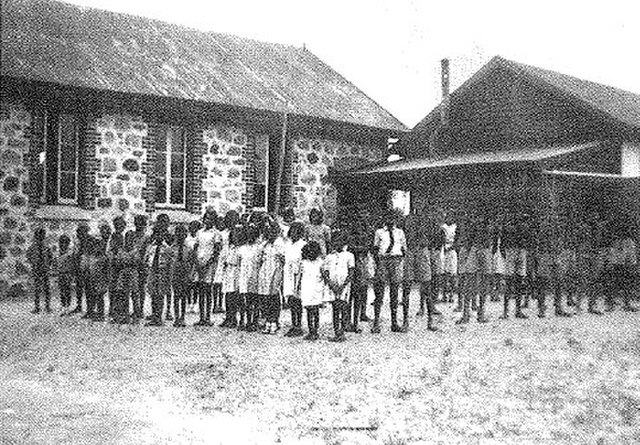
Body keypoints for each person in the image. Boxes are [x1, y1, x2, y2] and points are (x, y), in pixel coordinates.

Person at [372, 210, 407, 333]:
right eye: (388, 217)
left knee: (394, 292)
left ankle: (394, 322)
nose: (391, 220)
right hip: (383, 260)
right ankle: (376, 322)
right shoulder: (379, 232)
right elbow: (375, 248)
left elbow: (404, 249)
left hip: (396, 260)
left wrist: (399, 261)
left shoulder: (400, 232)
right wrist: (378, 264)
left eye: (393, 218)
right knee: (379, 291)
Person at [403, 210, 431, 331]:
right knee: (407, 286)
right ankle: (405, 321)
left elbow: (430, 238)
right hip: (411, 250)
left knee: (427, 286)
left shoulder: (427, 220)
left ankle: (430, 321)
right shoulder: (408, 219)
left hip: (421, 250)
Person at [257, 219, 285, 334]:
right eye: (267, 231)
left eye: (272, 230)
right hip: (264, 271)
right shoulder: (264, 244)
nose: (269, 233)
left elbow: (283, 260)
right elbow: (259, 258)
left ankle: (274, 320)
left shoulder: (279, 243)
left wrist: (278, 274)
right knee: (265, 297)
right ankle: (267, 320)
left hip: (275, 270)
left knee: (274, 296)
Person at [194, 208, 221, 326]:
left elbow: (216, 251)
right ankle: (201, 317)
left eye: (211, 219)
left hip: (209, 265)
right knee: (200, 290)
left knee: (208, 290)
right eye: (206, 218)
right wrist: (197, 262)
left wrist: (207, 263)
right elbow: (196, 247)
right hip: (199, 263)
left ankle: (208, 317)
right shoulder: (199, 232)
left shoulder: (216, 234)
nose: (208, 221)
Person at [145, 214, 172, 326]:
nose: (158, 236)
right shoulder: (152, 246)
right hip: (152, 270)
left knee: (160, 294)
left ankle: (159, 317)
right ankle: (154, 315)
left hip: (162, 271)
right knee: (153, 294)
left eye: (161, 235)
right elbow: (147, 257)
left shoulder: (166, 248)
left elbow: (170, 261)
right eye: (157, 234)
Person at [238, 223, 263, 332]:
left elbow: (261, 262)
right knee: (246, 300)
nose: (250, 236)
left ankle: (255, 321)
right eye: (248, 234)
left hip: (255, 275)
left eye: (252, 234)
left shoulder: (259, 248)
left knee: (255, 299)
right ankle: (247, 321)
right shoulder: (242, 248)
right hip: (245, 275)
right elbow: (239, 262)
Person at [283, 222, 307, 337]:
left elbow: (303, 262)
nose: (293, 233)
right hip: (288, 273)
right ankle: (293, 325)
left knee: (298, 300)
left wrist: (301, 278)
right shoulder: (287, 244)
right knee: (291, 299)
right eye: (292, 231)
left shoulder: (303, 244)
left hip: (298, 274)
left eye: (296, 231)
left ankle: (298, 325)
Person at [170, 224, 196, 327]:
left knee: (184, 296)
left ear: (185, 235)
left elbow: (192, 262)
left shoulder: (189, 248)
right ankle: (176, 317)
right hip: (176, 273)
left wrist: (191, 274)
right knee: (176, 296)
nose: (180, 235)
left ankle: (182, 317)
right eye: (178, 233)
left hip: (185, 273)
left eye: (183, 233)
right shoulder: (172, 248)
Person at [116, 230, 142, 324]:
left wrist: (127, 261)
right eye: (127, 238)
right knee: (123, 294)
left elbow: (137, 261)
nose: (129, 240)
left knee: (134, 294)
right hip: (123, 272)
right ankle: (125, 315)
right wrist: (126, 261)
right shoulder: (121, 249)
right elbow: (118, 261)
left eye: (131, 238)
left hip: (132, 272)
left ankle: (136, 315)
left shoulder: (135, 249)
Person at [300, 241, 324, 341]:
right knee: (309, 310)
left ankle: (315, 330)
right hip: (307, 287)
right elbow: (301, 275)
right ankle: (311, 330)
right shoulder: (304, 263)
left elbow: (323, 275)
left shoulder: (321, 262)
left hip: (316, 287)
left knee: (315, 310)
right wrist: (297, 287)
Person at [26, 227, 52, 313]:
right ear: (36, 236)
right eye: (39, 235)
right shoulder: (33, 247)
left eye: (42, 235)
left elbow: (50, 257)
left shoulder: (46, 247)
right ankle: (37, 307)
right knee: (37, 288)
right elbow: (28, 256)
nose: (41, 237)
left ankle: (47, 306)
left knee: (47, 288)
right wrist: (33, 264)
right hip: (37, 269)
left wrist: (48, 265)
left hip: (44, 269)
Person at [220, 224, 241, 328]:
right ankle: (228, 317)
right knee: (228, 295)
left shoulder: (240, 248)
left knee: (235, 295)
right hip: (228, 271)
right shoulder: (229, 247)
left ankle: (234, 318)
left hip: (236, 271)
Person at [69, 223, 92, 315]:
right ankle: (79, 306)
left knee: (88, 288)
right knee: (79, 288)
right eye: (78, 233)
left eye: (81, 233)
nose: (79, 235)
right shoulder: (78, 242)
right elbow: (76, 254)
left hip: (87, 267)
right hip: (79, 267)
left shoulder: (90, 241)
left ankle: (89, 309)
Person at [107, 216, 126, 320]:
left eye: (122, 225)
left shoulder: (122, 237)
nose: (120, 227)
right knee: (113, 287)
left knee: (120, 288)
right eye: (117, 225)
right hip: (114, 265)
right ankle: (113, 308)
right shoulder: (114, 236)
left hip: (120, 265)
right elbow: (111, 250)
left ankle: (119, 309)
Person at [440, 210, 459, 303]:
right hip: (444, 250)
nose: (449, 218)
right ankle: (444, 295)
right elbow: (441, 239)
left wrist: (452, 246)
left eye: (451, 216)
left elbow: (457, 240)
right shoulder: (443, 227)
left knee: (452, 273)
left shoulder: (455, 227)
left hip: (452, 250)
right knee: (444, 273)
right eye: (448, 216)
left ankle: (451, 294)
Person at [56, 234, 75, 315]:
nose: (63, 244)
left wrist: (72, 275)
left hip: (67, 273)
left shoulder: (70, 253)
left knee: (67, 290)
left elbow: (72, 264)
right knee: (62, 290)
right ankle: (63, 305)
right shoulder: (59, 252)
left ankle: (67, 307)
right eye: (61, 242)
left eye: (65, 242)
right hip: (61, 273)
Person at [185, 220, 201, 313]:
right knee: (188, 285)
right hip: (188, 262)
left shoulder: (198, 239)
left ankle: (195, 303)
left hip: (196, 262)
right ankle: (189, 303)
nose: (193, 230)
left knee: (195, 285)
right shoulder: (187, 239)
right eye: (191, 227)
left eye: (195, 228)